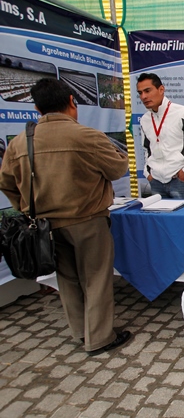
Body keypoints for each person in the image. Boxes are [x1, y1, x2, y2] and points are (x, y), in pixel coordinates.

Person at [0, 78, 131, 355]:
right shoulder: (86, 136)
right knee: (95, 278)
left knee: (67, 280)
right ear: (72, 101)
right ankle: (100, 338)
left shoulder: (20, 143)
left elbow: (7, 182)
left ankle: (81, 333)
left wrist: (28, 208)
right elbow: (118, 169)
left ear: (37, 107)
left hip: (45, 226)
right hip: (87, 221)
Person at [137, 73, 184, 199]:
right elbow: (147, 148)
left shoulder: (183, 113)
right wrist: (147, 173)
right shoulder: (145, 119)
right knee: (161, 219)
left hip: (180, 181)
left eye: (147, 91)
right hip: (156, 182)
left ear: (161, 89)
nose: (144, 96)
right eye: (140, 93)